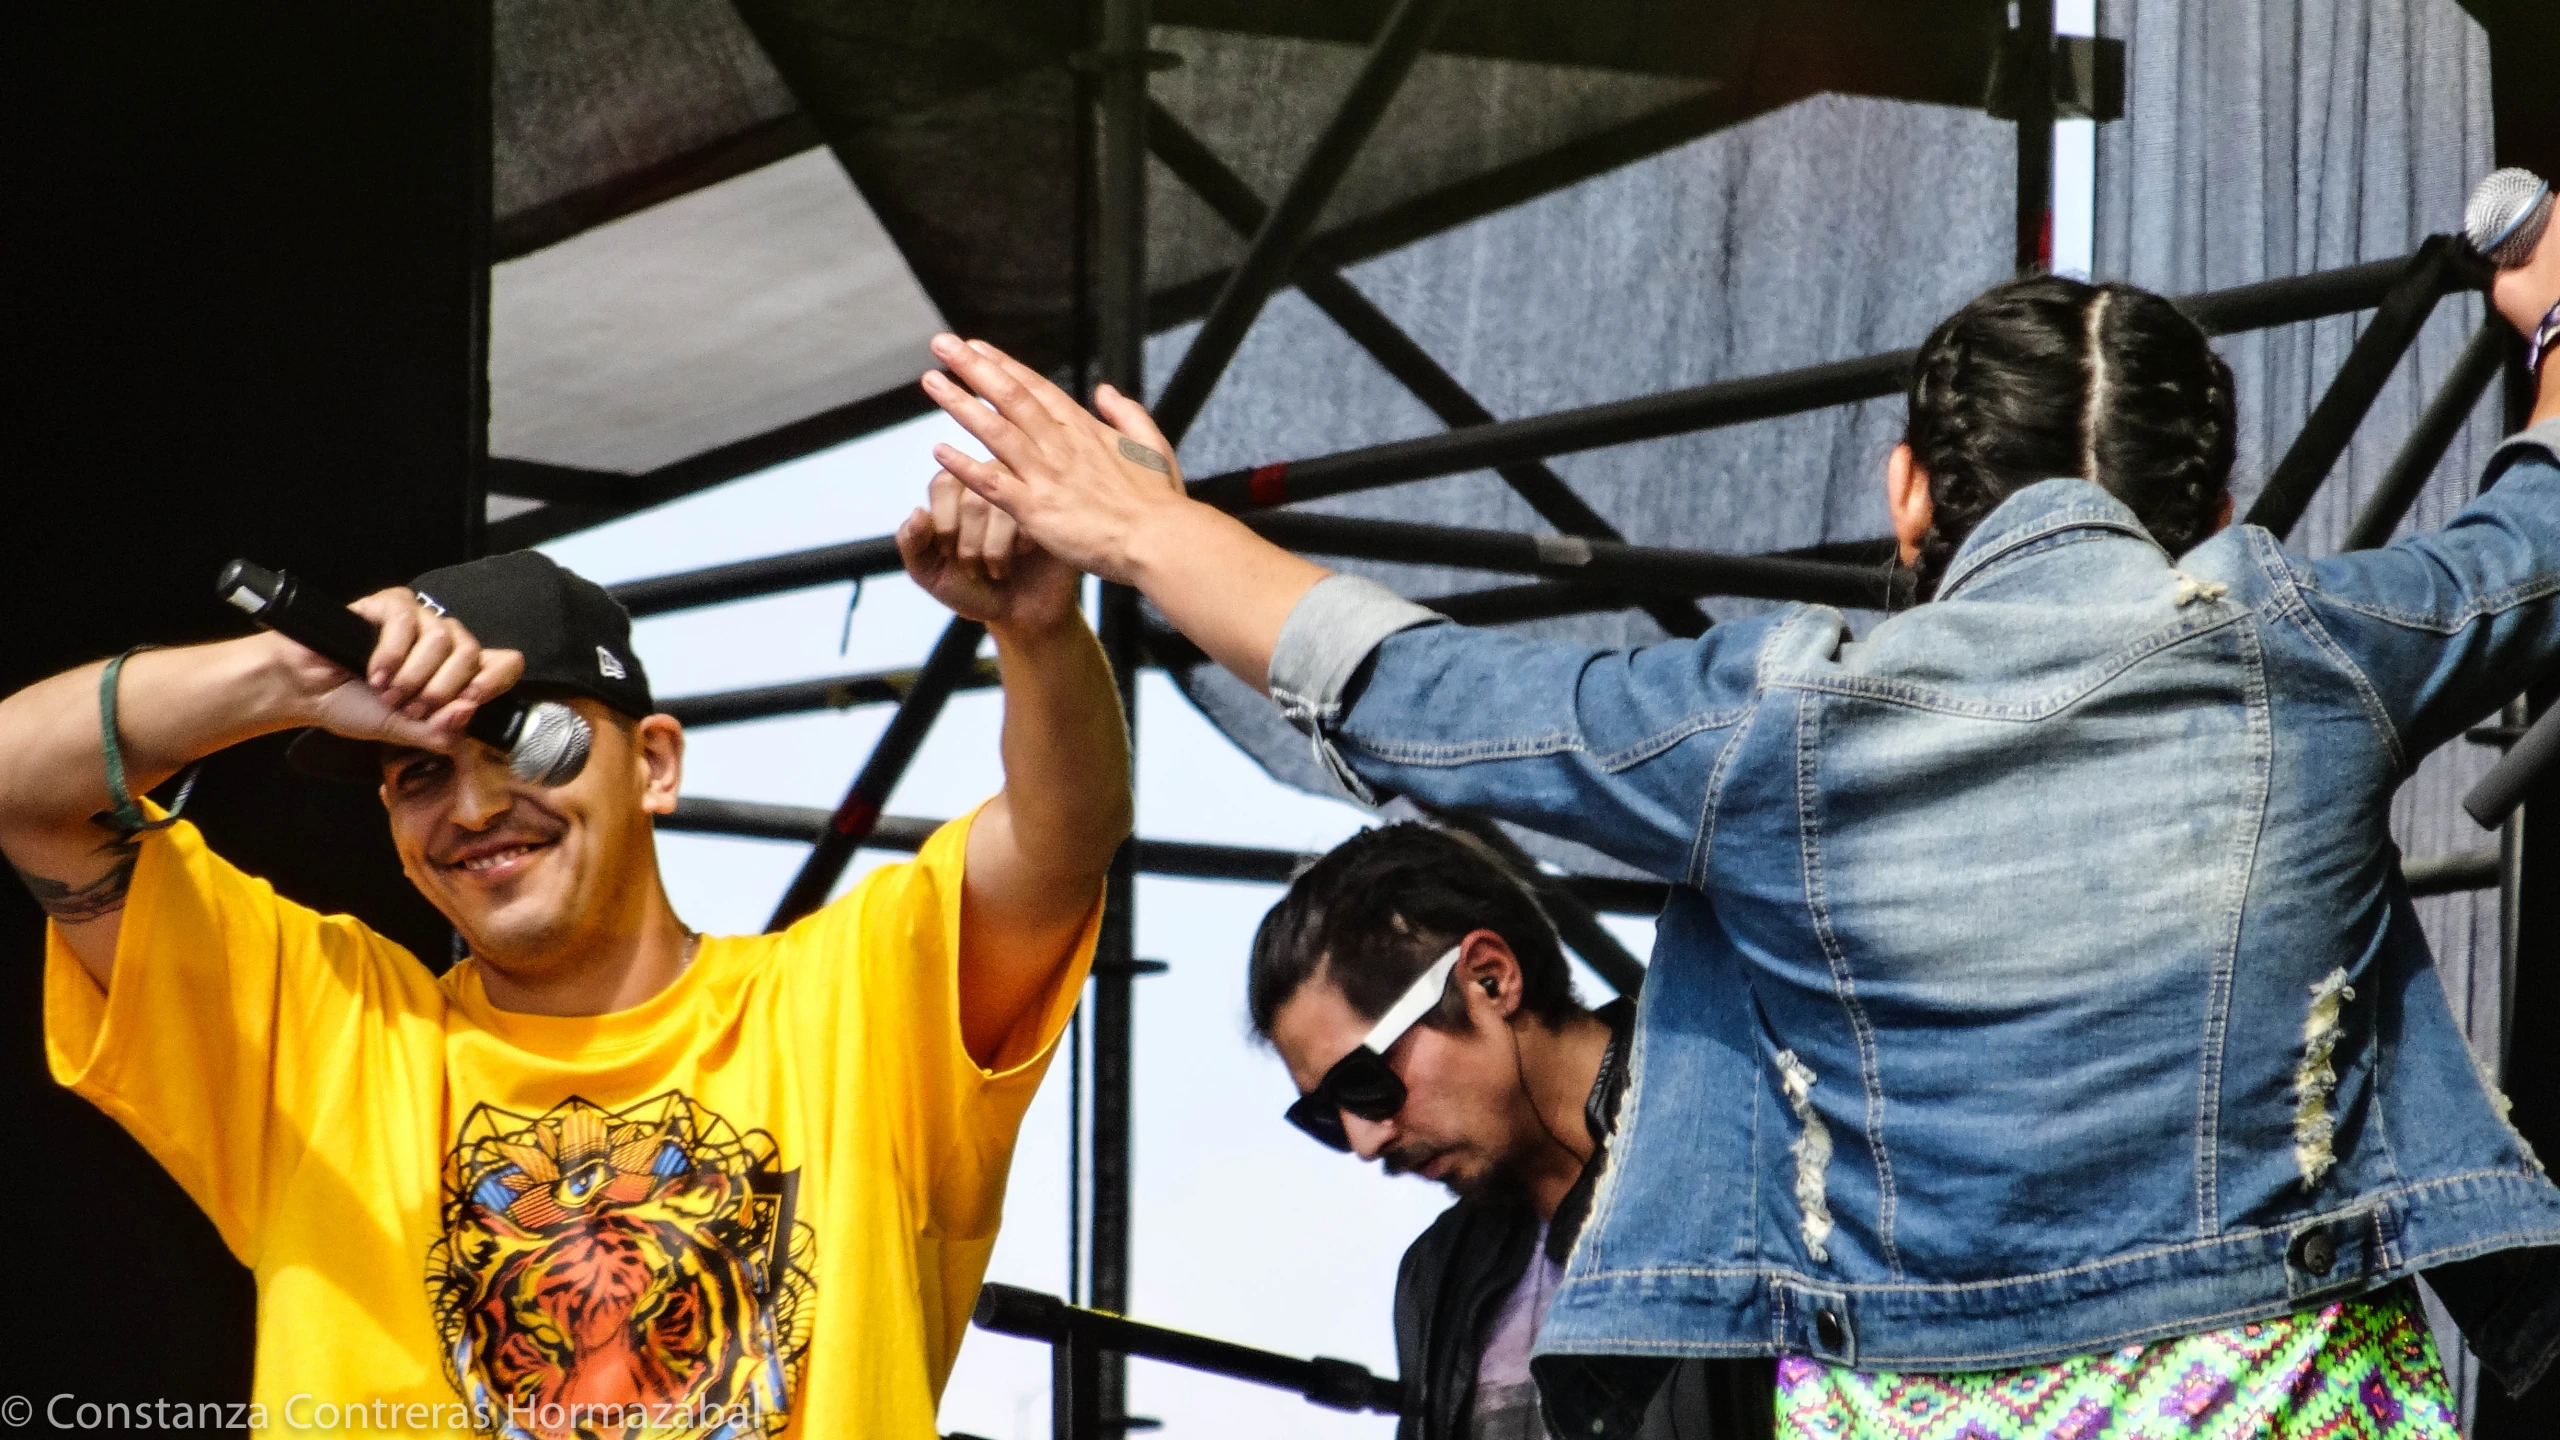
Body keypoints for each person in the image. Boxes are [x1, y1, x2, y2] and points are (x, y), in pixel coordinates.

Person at [906, 224, 2560, 1438]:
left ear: (1912, 494)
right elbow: (2536, 530)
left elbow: (1414, 690)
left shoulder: (1775, 722)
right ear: (2210, 506)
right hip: (2291, 1383)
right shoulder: (2312, 639)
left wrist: (1141, 527)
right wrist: (2551, 332)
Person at [0, 484, 1128, 1437]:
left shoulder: (848, 1002)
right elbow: (21, 790)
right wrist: (281, 681)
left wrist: (1036, 631)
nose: (478, 803)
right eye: (416, 773)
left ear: (654, 763)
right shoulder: (330, 1030)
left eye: (528, 736)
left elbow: (1062, 836)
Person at [1251, 819, 1771, 1440]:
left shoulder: (1762, 1157)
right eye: (1323, 1118)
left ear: (1489, 979)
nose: (1365, 1142)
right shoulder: (1435, 1278)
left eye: (1363, 1083)